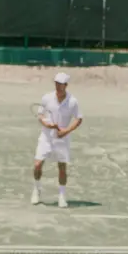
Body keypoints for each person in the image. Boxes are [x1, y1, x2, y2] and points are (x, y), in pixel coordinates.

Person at [32, 71, 82, 209]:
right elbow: (40, 115)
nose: (58, 86)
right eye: (56, 83)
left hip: (62, 139)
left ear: (66, 85)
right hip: (46, 137)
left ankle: (62, 196)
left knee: (62, 168)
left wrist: (66, 131)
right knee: (37, 164)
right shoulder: (46, 98)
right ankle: (37, 189)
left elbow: (79, 118)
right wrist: (46, 124)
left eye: (60, 84)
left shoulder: (72, 101)